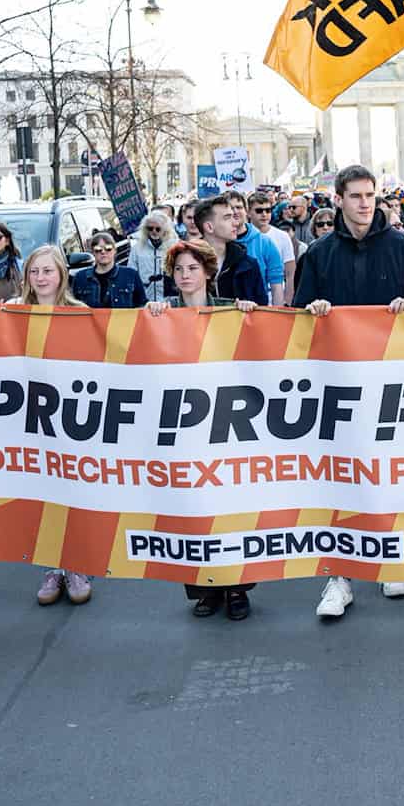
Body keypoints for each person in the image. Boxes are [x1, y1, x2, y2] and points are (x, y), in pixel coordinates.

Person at [293, 165, 404, 618]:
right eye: (355, 196)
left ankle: (391, 558)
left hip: (391, 381)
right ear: (338, 200)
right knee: (338, 477)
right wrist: (313, 310)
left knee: (388, 470)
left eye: (370, 194)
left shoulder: (402, 246)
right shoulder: (318, 253)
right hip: (336, 382)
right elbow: (297, 319)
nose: (364, 203)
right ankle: (339, 577)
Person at [145, 239, 258, 619]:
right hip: (185, 426)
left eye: (192, 268)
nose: (185, 276)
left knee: (231, 507)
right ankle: (206, 588)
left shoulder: (229, 310)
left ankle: (238, 587)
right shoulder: (164, 313)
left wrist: (250, 313)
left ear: (208, 272)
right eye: (178, 270)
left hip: (228, 423)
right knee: (192, 509)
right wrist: (152, 314)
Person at [0, 245, 96, 606]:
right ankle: (52, 567)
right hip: (29, 419)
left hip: (72, 416)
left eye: (47, 271)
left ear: (62, 274)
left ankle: (78, 565)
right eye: (34, 272)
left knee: (73, 491)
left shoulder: (80, 313)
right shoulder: (14, 313)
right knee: (43, 494)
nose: (40, 278)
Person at [193, 195, 269, 305]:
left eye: (234, 217)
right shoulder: (185, 262)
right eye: (227, 218)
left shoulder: (248, 264)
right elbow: (174, 303)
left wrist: (250, 306)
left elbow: (261, 308)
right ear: (209, 227)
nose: (235, 223)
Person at [226, 191, 283, 304]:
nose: (235, 212)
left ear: (246, 211)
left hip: (257, 310)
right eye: (230, 208)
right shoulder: (218, 242)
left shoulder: (265, 243)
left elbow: (276, 285)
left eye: (239, 207)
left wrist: (278, 316)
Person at [71, 232, 148, 308]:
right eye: (98, 249)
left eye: (108, 248)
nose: (103, 252)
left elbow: (143, 305)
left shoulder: (131, 275)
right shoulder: (80, 278)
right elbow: (72, 308)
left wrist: (152, 305)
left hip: (123, 320)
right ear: (92, 252)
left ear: (115, 250)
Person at [248, 192, 296, 292]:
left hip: (277, 292)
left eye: (268, 210)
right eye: (259, 210)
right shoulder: (240, 236)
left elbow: (290, 273)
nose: (264, 214)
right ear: (248, 212)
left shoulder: (283, 236)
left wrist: (288, 300)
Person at [128, 210, 175, 302]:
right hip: (144, 298)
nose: (154, 231)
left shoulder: (174, 247)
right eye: (150, 228)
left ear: (165, 230)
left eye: (158, 229)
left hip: (168, 299)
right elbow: (131, 273)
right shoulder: (137, 248)